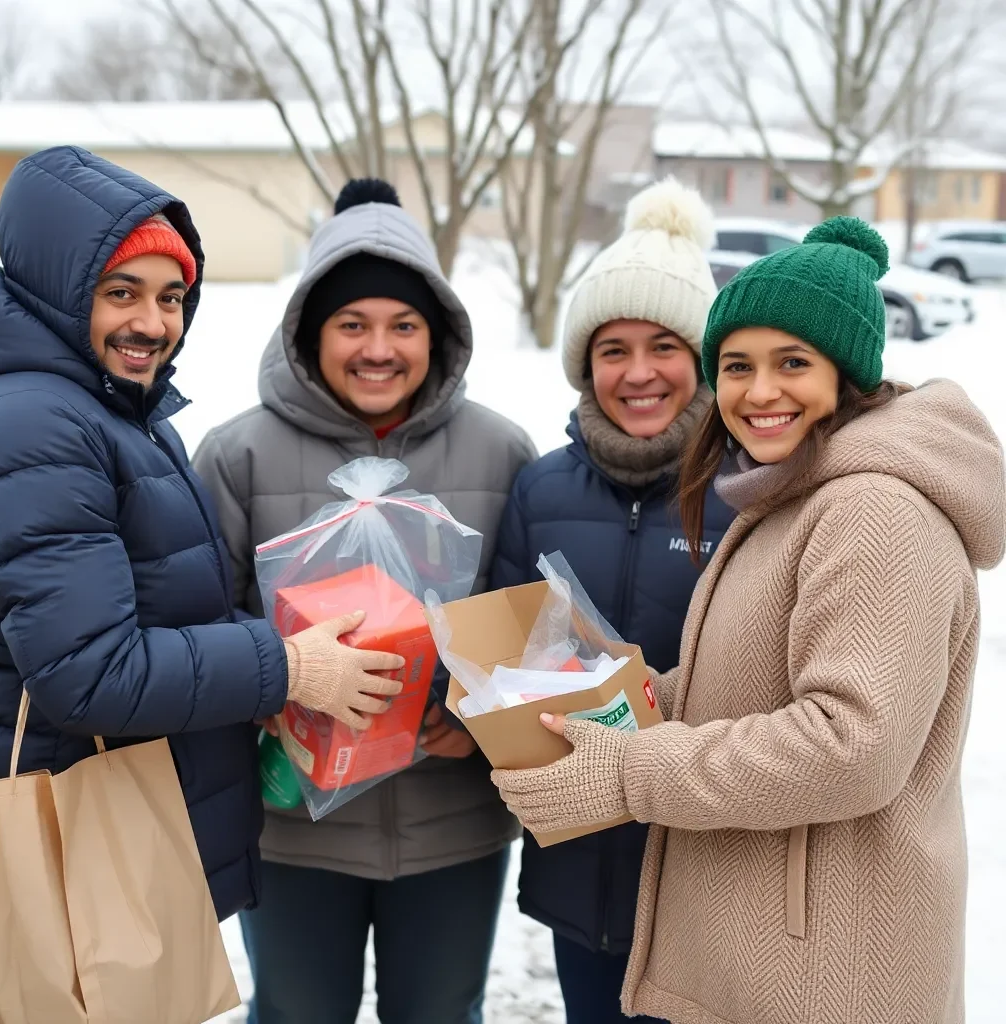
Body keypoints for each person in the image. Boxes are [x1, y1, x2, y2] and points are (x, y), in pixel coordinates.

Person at [491, 217, 1005, 1024]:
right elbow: (759, 684)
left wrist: (630, 770)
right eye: (737, 366)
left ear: (848, 373)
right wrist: (632, 695)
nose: (759, 392)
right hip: (781, 951)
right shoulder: (796, 495)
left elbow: (850, 744)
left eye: (792, 363)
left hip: (834, 972)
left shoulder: (875, 510)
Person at [0, 147, 403, 923]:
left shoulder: (117, 409)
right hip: (75, 848)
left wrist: (294, 657)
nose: (153, 323)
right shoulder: (38, 425)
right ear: (57, 293)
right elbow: (90, 674)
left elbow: (165, 614)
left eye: (173, 296)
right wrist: (285, 668)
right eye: (121, 293)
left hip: (123, 837)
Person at [193, 177, 536, 1024]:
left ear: (439, 334)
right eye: (353, 324)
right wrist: (280, 682)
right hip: (294, 832)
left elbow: (533, 631)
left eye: (404, 325)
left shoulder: (500, 452)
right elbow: (197, 623)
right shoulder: (239, 454)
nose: (378, 349)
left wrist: (478, 722)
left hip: (452, 830)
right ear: (312, 332)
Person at [489, 177, 733, 1024]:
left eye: (664, 345)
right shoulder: (540, 486)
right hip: (577, 867)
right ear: (584, 362)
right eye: (612, 348)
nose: (637, 373)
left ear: (702, 357)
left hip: (704, 879)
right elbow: (505, 653)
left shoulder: (747, 493)